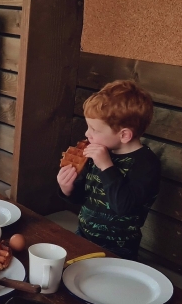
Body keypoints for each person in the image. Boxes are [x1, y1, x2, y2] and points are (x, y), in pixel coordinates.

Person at [57, 80, 160, 260]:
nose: (87, 134)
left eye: (94, 129)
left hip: (119, 249)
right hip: (83, 235)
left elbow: (124, 207)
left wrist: (106, 166)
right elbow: (83, 197)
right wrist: (67, 189)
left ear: (124, 135)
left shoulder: (146, 164)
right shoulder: (99, 152)